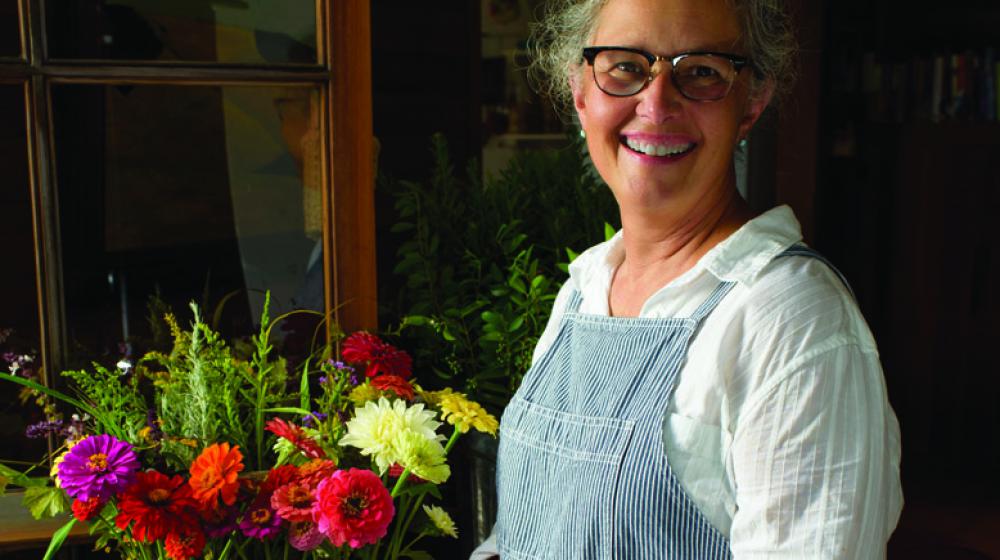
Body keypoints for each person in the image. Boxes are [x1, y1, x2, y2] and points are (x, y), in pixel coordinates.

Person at [471, 0, 902, 558]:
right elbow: (522, 535)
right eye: (625, 66)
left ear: (752, 103)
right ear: (581, 93)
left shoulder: (793, 321)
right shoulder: (584, 289)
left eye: (701, 72)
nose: (656, 104)